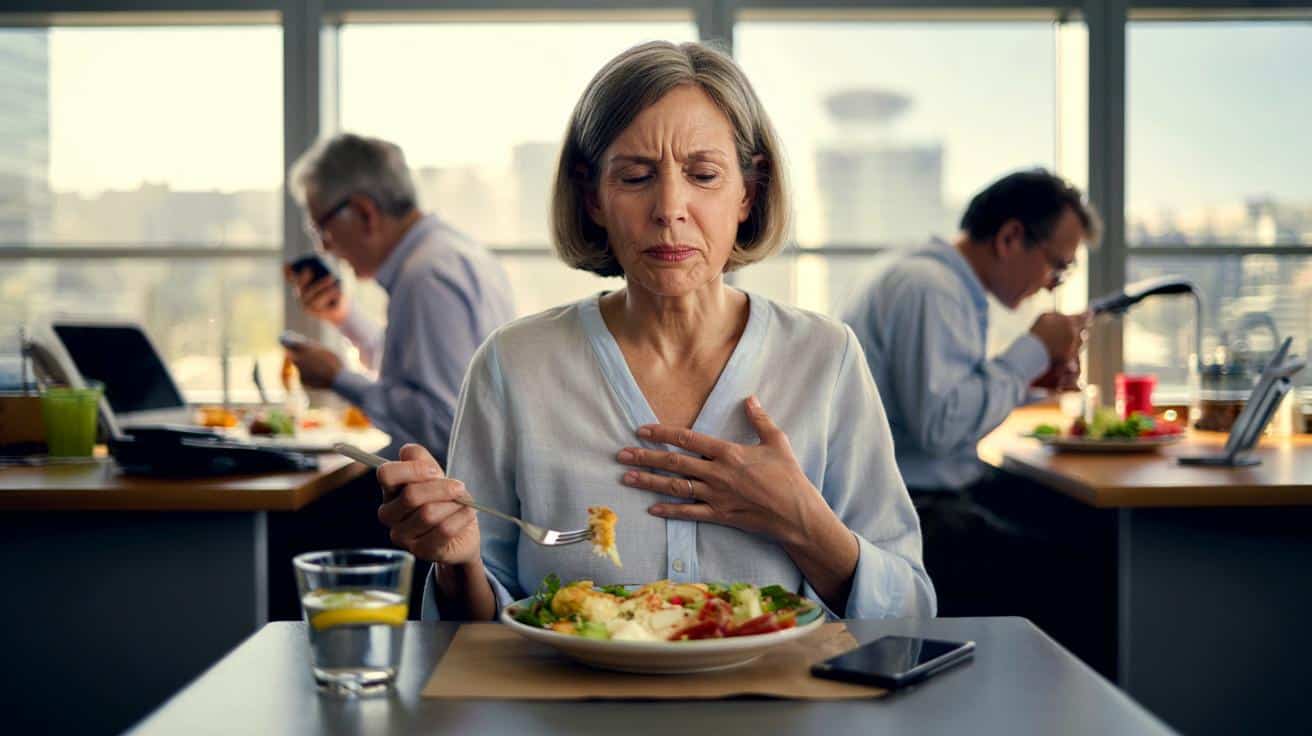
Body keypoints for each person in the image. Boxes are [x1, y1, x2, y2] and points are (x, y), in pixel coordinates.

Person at [375, 41, 936, 622]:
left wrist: (801, 520)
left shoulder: (827, 357)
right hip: (572, 711)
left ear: (749, 191)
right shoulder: (513, 364)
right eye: (637, 176)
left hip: (776, 709)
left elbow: (911, 612)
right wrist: (456, 562)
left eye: (704, 175)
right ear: (592, 196)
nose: (670, 207)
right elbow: (475, 632)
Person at [841, 169, 1111, 671]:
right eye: (1057, 267)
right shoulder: (932, 289)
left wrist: (1033, 382)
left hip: (927, 490)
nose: (1051, 285)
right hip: (915, 511)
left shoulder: (935, 278)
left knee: (1081, 522)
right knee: (1082, 566)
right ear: (1011, 237)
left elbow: (944, 404)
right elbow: (941, 429)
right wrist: (1033, 347)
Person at [286, 133, 515, 462]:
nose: (324, 246)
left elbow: (445, 424)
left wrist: (338, 378)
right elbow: (420, 373)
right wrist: (345, 318)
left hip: (445, 498)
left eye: (322, 227)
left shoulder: (426, 278)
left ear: (365, 213)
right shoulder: (450, 253)